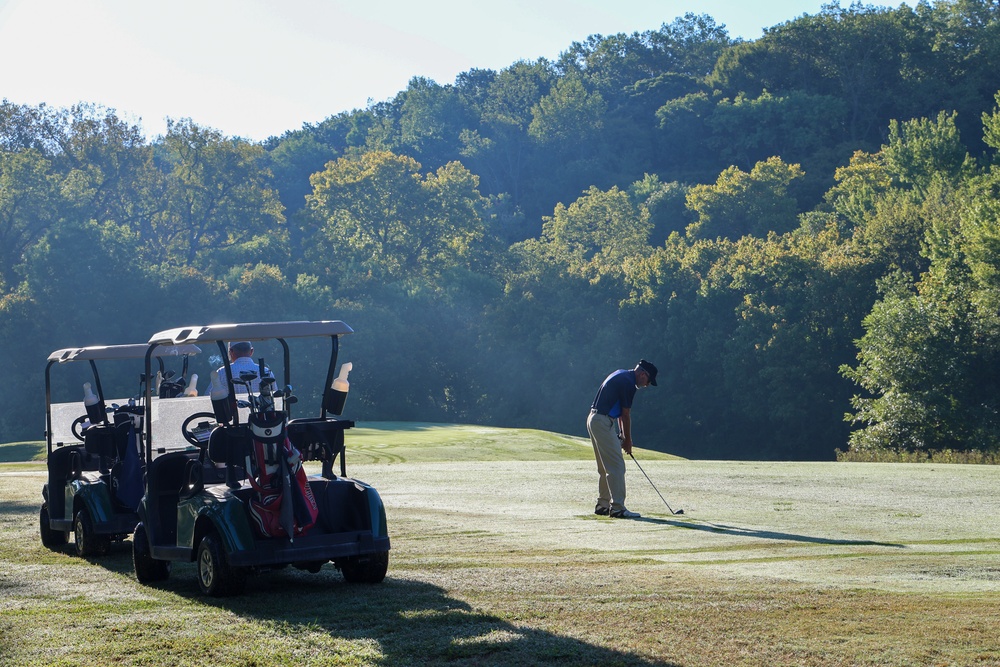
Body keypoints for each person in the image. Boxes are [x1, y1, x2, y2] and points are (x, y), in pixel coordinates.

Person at [587, 359, 658, 519]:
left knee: (605, 467)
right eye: (648, 381)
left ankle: (602, 505)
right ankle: (618, 508)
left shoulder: (623, 375)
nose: (647, 385)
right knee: (617, 466)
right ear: (642, 374)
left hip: (595, 419)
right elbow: (626, 415)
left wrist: (623, 436)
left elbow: (620, 413)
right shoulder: (629, 383)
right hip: (602, 421)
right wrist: (628, 441)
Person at [205, 341, 273, 395]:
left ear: (231, 351)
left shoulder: (222, 372)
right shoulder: (266, 372)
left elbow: (208, 396)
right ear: (251, 351)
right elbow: (274, 395)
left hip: (232, 412)